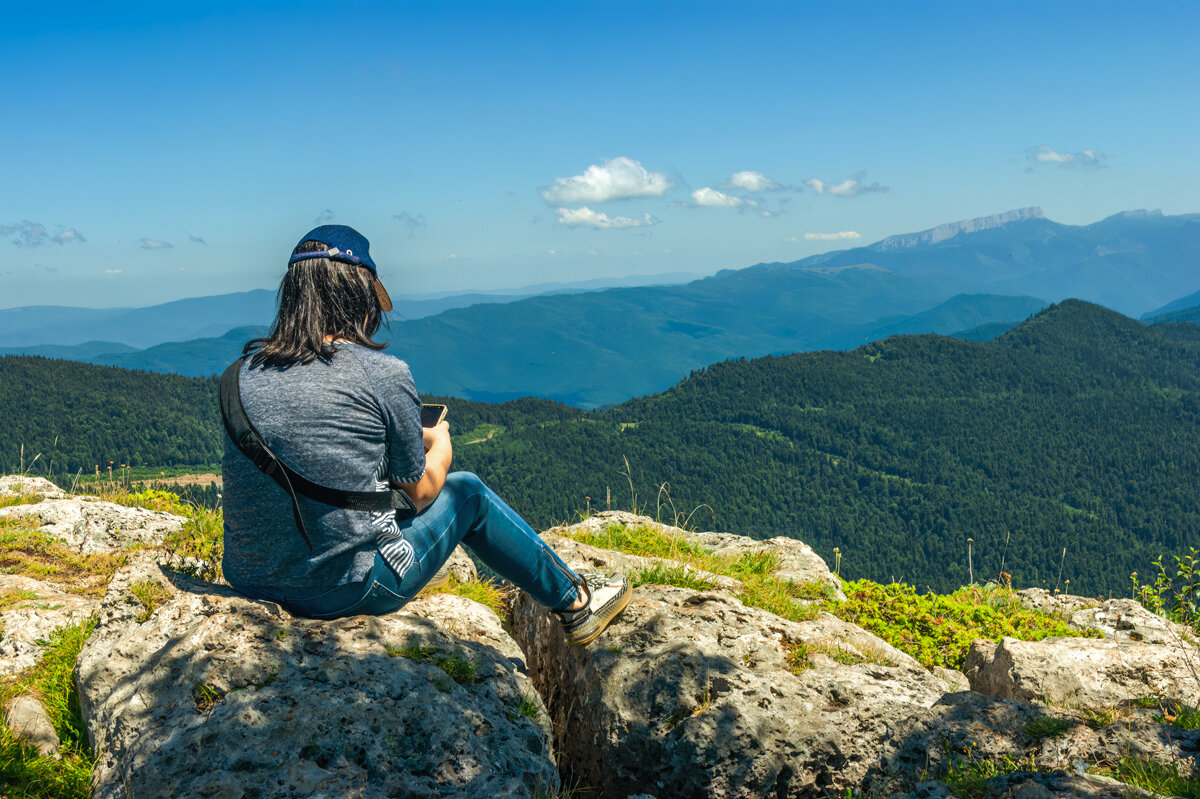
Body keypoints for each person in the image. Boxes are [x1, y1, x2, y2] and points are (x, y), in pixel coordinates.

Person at [221, 224, 630, 646]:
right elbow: (418, 492)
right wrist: (440, 448)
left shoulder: (239, 375)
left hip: (247, 580)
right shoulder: (382, 374)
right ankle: (576, 601)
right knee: (468, 492)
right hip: (342, 590)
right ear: (359, 294)